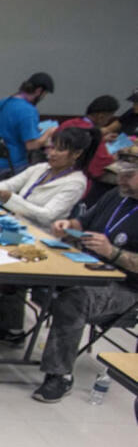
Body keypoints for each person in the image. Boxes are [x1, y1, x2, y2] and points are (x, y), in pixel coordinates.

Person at [31, 154, 138, 402]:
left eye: (129, 173)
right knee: (31, 268)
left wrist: (113, 252)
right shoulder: (116, 196)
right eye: (120, 171)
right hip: (86, 267)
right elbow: (83, 222)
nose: (120, 178)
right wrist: (67, 225)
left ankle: (59, 375)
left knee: (75, 299)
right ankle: (5, 325)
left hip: (125, 289)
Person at [0, 127, 92, 344]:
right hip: (14, 227)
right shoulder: (40, 168)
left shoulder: (76, 182)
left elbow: (47, 216)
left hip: (40, 238)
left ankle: (10, 328)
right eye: (52, 147)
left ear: (76, 154)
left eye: (61, 150)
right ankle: (2, 324)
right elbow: (8, 186)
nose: (53, 153)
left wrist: (11, 199)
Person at [0, 72, 55, 178]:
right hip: (11, 167)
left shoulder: (2, 102)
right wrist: (50, 131)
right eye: (44, 95)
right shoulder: (28, 111)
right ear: (39, 91)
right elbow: (31, 145)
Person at [56, 95, 119, 201]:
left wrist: (103, 139)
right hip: (78, 181)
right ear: (101, 116)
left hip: (57, 172)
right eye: (109, 116)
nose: (108, 121)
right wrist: (115, 157)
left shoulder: (69, 123)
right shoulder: (93, 134)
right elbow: (101, 162)